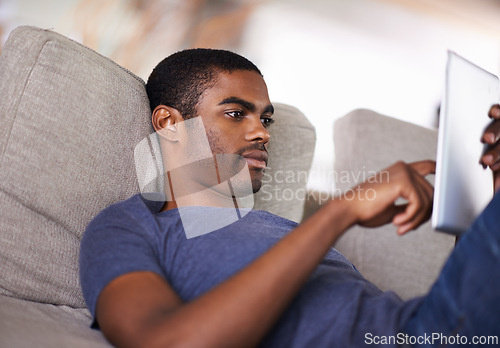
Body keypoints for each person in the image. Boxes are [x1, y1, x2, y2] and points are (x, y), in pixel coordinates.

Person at [80, 48, 500, 348]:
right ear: (170, 123)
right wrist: (342, 210)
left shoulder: (281, 229)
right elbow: (163, 340)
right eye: (235, 113)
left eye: (264, 118)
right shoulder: (126, 226)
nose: (262, 132)